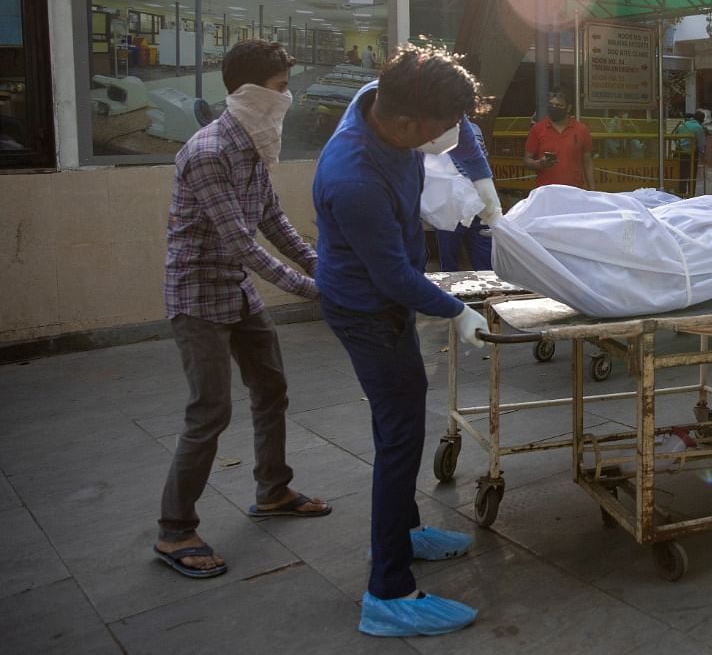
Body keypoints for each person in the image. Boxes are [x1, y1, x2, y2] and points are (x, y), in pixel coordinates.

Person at [312, 44, 496, 636]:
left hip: (390, 295)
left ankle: (406, 529)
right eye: (441, 129)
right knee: (399, 439)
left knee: (402, 423)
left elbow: (449, 128)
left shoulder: (384, 100)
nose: (449, 138)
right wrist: (456, 310)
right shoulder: (354, 177)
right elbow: (389, 275)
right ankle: (387, 593)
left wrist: (483, 186)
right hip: (369, 311)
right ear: (403, 124)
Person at [154, 39, 330, 580]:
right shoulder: (208, 152)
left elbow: (273, 222)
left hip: (236, 290)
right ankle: (174, 529)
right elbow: (239, 242)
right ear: (251, 91)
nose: (287, 98)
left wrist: (324, 267)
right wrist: (312, 290)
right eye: (280, 88)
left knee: (270, 388)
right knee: (210, 412)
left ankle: (273, 490)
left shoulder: (251, 145)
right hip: (197, 297)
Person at [434, 116, 497, 271]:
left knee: (483, 257)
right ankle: (450, 293)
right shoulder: (434, 129)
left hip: (476, 201)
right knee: (449, 258)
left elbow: (481, 161)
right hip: (450, 204)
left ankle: (488, 292)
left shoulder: (475, 129)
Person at [523, 89, 595, 190]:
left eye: (558, 105)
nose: (554, 108)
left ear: (568, 108)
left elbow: (587, 162)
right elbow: (527, 160)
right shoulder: (537, 129)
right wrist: (539, 163)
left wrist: (592, 191)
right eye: (551, 105)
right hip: (546, 192)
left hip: (574, 191)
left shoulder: (581, 129)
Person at [672, 111, 707, 194]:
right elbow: (701, 144)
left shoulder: (682, 125)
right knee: (692, 176)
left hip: (678, 152)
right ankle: (690, 194)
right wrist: (702, 155)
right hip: (691, 155)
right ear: (702, 120)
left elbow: (674, 137)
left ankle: (680, 194)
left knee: (680, 175)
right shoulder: (698, 127)